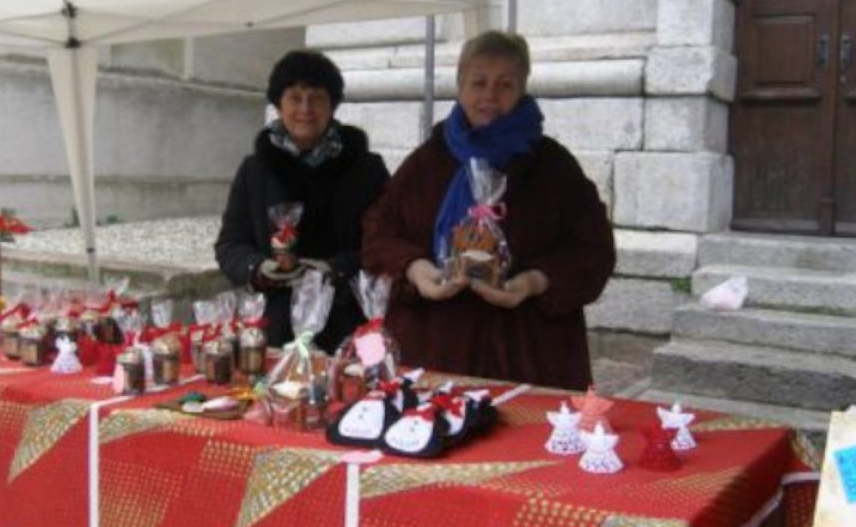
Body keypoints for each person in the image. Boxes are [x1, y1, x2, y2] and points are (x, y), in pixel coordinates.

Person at [361, 31, 615, 389]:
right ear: (460, 84)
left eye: (505, 84)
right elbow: (378, 234)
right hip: (434, 348)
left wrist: (534, 282)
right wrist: (416, 270)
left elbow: (594, 251)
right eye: (479, 82)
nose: (489, 95)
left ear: (522, 88)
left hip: (529, 354)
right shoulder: (427, 161)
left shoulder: (553, 167)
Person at [215, 50, 390, 352]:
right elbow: (230, 243)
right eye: (295, 98)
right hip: (274, 324)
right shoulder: (255, 170)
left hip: (348, 320)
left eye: (317, 98)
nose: (305, 109)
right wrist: (258, 268)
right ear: (278, 105)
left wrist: (333, 267)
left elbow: (384, 241)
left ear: (332, 105)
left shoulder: (366, 169)